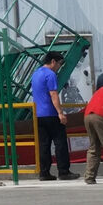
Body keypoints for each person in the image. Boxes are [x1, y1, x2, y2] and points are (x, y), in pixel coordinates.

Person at [30, 51, 73, 181]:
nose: (59, 67)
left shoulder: (36, 73)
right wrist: (60, 113)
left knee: (43, 144)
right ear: (53, 61)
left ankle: (44, 173)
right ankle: (64, 171)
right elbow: (53, 94)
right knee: (60, 142)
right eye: (60, 64)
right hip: (51, 113)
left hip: (38, 114)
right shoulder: (51, 74)